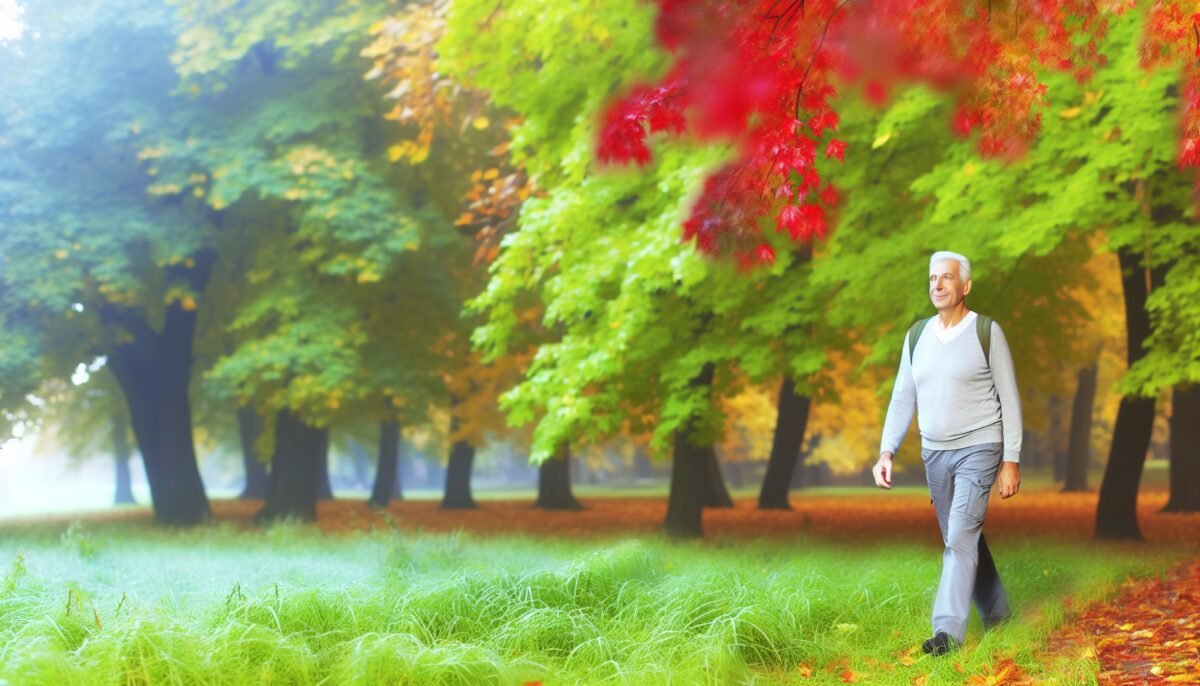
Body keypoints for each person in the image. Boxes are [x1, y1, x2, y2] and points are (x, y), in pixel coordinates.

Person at [872, 250, 1022, 656]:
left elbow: (1009, 398)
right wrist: (886, 451)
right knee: (962, 536)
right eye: (932, 278)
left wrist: (1011, 459)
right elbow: (902, 397)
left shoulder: (986, 332)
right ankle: (999, 616)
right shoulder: (917, 336)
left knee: (959, 536)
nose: (937, 285)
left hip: (980, 445)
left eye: (947, 278)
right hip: (934, 453)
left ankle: (946, 634)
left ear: (965, 285)